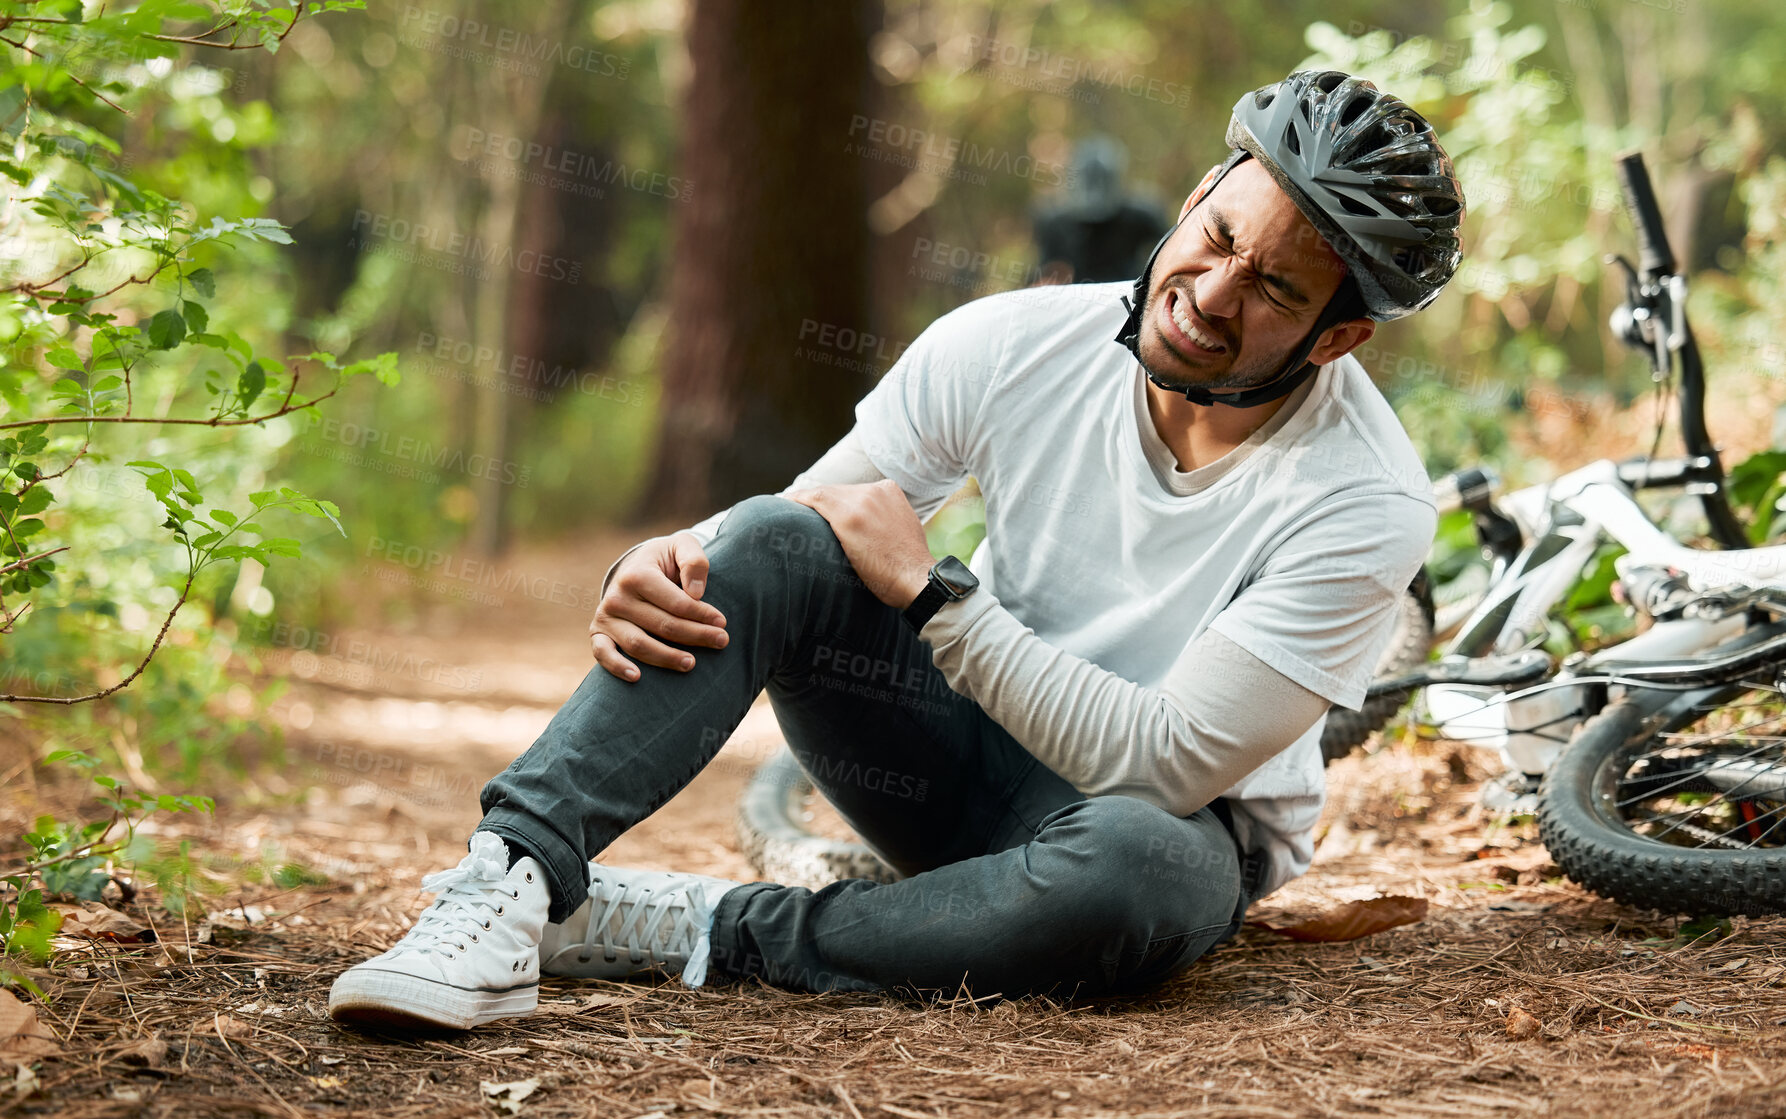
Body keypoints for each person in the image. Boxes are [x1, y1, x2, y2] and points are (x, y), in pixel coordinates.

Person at [328, 70, 1466, 1031]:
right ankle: (509, 882)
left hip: (1148, 832)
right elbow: (795, 529)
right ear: (1194, 197)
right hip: (950, 755)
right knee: (773, 539)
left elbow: (1165, 765)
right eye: (1219, 238)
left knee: (1136, 870)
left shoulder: (1364, 500)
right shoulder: (1011, 342)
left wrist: (936, 599)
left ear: (1339, 337)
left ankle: (691, 923)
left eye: (1273, 288)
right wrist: (674, 560)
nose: (1211, 295)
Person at [1032, 135, 1171, 284]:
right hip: (1077, 297)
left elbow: (1171, 253)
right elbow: (1042, 272)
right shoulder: (1055, 222)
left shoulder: (1142, 216)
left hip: (1130, 294)